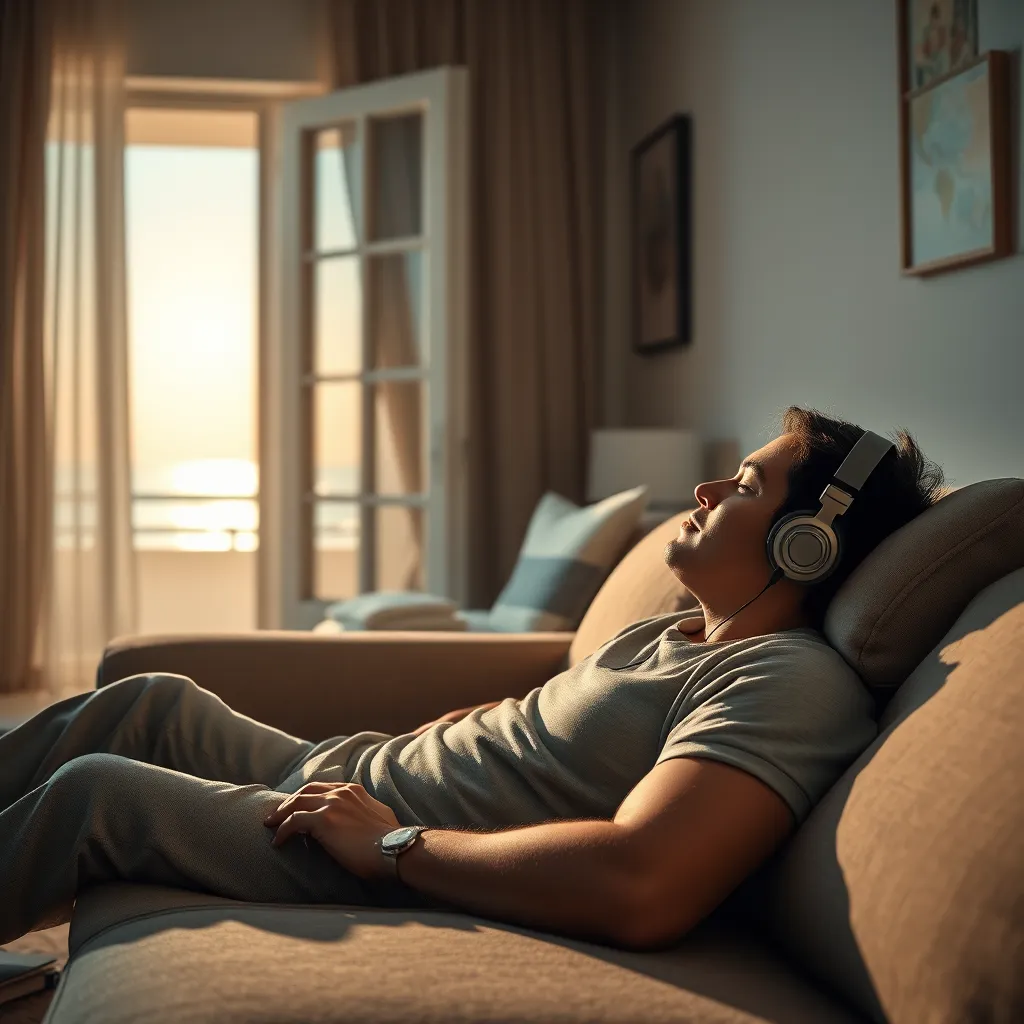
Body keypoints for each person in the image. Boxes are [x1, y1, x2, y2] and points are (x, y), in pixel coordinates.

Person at [0, 406, 945, 951]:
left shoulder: (786, 682)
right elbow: (551, 737)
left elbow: (644, 881)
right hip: (351, 773)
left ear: (806, 544)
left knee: (98, 795)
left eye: (744, 486)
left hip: (354, 846)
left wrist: (393, 845)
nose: (704, 491)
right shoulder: (677, 633)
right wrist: (468, 729)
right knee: (150, 701)